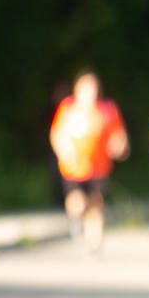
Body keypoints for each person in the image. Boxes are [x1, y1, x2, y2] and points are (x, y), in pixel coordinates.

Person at [48, 71, 129, 252]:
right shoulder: (68, 109)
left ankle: (95, 238)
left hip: (99, 167)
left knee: (96, 202)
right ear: (77, 90)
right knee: (77, 203)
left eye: (93, 89)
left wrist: (120, 146)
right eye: (86, 89)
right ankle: (78, 221)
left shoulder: (107, 110)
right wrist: (63, 152)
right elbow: (57, 134)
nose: (90, 93)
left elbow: (118, 135)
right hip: (74, 167)